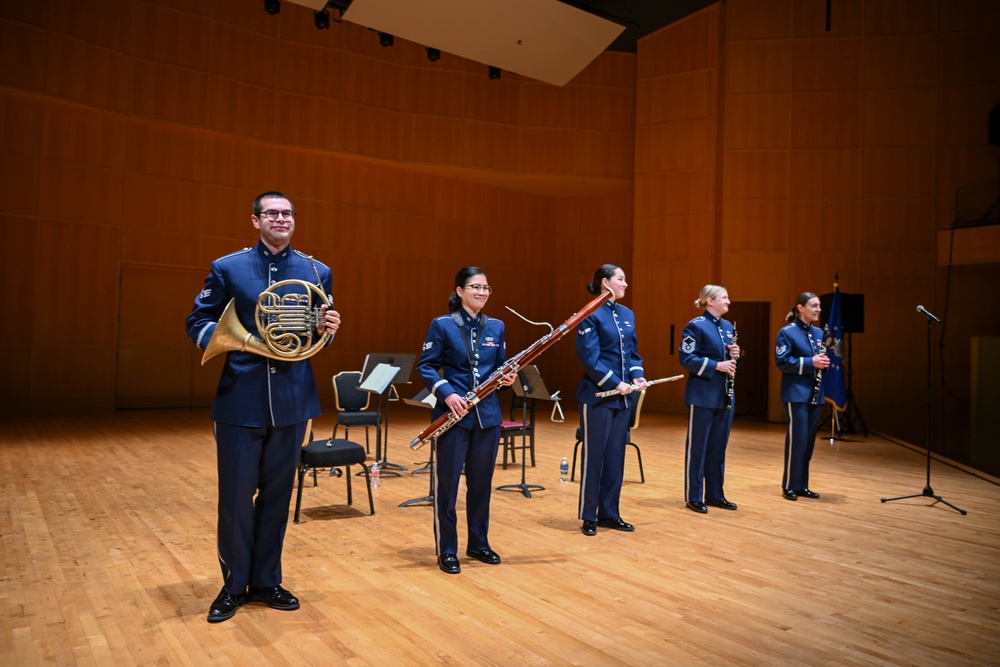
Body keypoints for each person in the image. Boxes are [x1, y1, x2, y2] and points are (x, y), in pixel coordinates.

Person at [186, 191, 341, 623]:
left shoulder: (316, 270)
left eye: (288, 212)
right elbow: (197, 321)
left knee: (277, 496)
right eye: (271, 213)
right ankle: (234, 585)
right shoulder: (228, 266)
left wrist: (327, 327)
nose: (281, 218)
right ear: (255, 221)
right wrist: (231, 340)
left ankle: (267, 581)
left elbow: (314, 330)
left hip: (293, 400)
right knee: (236, 498)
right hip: (241, 399)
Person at [416, 267, 516, 575]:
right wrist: (447, 394)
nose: (482, 292)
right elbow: (427, 367)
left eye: (486, 287)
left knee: (481, 485)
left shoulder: (497, 326)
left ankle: (478, 543)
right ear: (460, 291)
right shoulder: (442, 325)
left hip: (486, 417)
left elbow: (500, 367)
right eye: (475, 287)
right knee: (447, 486)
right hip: (453, 416)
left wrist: (508, 378)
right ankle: (447, 549)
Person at [575, 264, 646, 536]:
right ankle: (588, 515)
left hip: (623, 397)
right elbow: (589, 359)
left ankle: (609, 513)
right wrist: (616, 383)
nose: (626, 284)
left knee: (616, 457)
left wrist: (637, 377)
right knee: (595, 458)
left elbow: (633, 353)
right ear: (605, 283)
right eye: (621, 279)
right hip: (598, 396)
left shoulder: (628, 314)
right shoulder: (589, 313)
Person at [679, 285, 741, 514]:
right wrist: (717, 365)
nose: (729, 301)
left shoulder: (727, 327)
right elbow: (686, 358)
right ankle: (693, 496)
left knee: (717, 448)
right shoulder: (695, 326)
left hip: (724, 395)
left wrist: (736, 356)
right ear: (710, 301)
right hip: (702, 395)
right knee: (698, 448)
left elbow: (731, 365)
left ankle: (715, 494)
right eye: (724, 297)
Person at [774, 292, 830, 501]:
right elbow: (782, 362)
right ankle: (790, 484)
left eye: (819, 306)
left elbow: (818, 361)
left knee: (808, 443)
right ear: (800, 308)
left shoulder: (817, 333)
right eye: (813, 305)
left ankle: (802, 485)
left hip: (815, 394)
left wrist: (821, 364)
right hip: (795, 394)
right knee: (796, 441)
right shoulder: (787, 332)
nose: (818, 309)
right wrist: (810, 362)